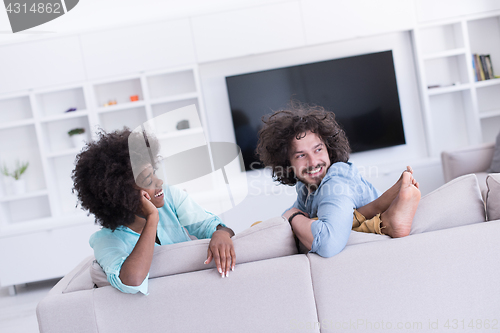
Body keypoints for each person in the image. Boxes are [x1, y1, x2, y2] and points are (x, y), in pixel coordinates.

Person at [71, 128, 235, 295]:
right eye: (149, 179)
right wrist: (152, 218)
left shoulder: (170, 197)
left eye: (154, 173)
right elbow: (132, 281)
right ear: (123, 194)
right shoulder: (106, 240)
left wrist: (220, 233)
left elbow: (211, 226)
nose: (159, 181)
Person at [256, 102, 421, 258]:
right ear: (287, 163)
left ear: (329, 149)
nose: (313, 162)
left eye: (318, 150)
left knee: (314, 225)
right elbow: (297, 218)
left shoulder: (336, 180)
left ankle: (386, 218)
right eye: (301, 155)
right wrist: (293, 217)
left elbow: (328, 244)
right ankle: (381, 208)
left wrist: (292, 217)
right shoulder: (304, 185)